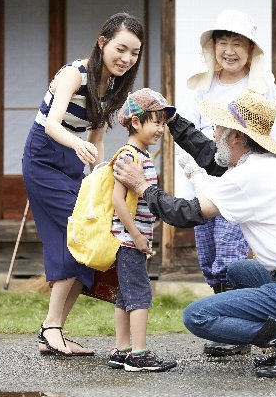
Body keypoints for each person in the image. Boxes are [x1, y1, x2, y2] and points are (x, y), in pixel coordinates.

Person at [113, 89, 276, 378]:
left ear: (235, 137)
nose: (213, 133)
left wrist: (144, 188)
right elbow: (214, 159)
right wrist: (174, 121)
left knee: (197, 316)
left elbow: (183, 214)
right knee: (237, 271)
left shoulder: (248, 177)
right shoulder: (273, 164)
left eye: (218, 128)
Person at [22, 12, 144, 356]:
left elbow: (98, 135)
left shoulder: (118, 86)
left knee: (90, 237)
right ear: (102, 42)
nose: (126, 59)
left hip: (76, 164)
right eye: (121, 49)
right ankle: (51, 328)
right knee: (77, 237)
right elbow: (52, 125)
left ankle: (53, 329)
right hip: (44, 158)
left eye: (134, 53)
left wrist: (99, 178)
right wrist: (78, 147)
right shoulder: (73, 74)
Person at [177, 9, 276, 357]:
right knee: (210, 259)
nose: (229, 50)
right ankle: (229, 325)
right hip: (205, 184)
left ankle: (238, 333)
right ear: (212, 47)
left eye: (237, 42)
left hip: (241, 185)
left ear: (251, 49)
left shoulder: (261, 86)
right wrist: (195, 177)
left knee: (230, 257)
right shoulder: (200, 85)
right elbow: (187, 134)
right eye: (222, 41)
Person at [107, 88, 177, 372]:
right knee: (139, 295)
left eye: (163, 123)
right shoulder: (130, 156)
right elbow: (117, 200)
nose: (161, 128)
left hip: (129, 239)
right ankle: (138, 353)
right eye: (156, 121)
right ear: (136, 122)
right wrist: (136, 235)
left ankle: (121, 349)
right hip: (129, 240)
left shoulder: (139, 154)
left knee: (125, 296)